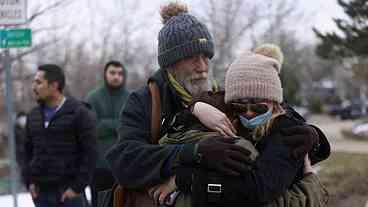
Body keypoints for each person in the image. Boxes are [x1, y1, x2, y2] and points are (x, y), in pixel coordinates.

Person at [106, 2, 324, 207]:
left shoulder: (226, 94)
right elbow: (124, 161)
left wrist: (314, 137)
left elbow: (275, 111)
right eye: (191, 57)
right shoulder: (146, 101)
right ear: (170, 64)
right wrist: (194, 152)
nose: (202, 66)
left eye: (206, 56)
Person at [156, 44, 330, 207]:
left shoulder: (289, 132)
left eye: (257, 105)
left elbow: (257, 189)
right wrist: (196, 108)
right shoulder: (228, 112)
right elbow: (179, 120)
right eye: (239, 104)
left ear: (275, 102)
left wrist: (188, 179)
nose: (248, 112)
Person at [22, 64, 97, 207]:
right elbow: (26, 152)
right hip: (41, 195)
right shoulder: (33, 116)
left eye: (38, 82)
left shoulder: (79, 113)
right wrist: (29, 182)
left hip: (70, 195)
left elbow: (90, 153)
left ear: (54, 85)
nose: (34, 87)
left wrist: (76, 188)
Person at [86, 60, 130, 207]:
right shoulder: (93, 98)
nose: (116, 76)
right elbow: (91, 128)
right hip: (99, 166)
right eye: (112, 73)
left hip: (126, 165)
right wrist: (118, 125)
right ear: (105, 74)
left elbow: (134, 128)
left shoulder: (132, 98)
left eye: (119, 73)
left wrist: (106, 123)